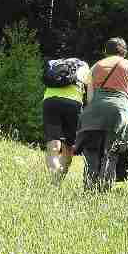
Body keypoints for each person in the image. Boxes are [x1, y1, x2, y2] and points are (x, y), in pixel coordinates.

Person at [75, 38, 128, 191]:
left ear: (106, 51)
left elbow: (90, 97)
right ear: (124, 52)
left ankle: (89, 189)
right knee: (111, 151)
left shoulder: (95, 67)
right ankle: (105, 189)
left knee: (92, 151)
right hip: (117, 111)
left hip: (94, 112)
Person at [42, 57, 91, 185]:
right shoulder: (84, 66)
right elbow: (90, 91)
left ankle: (54, 179)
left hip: (50, 101)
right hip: (73, 104)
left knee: (53, 147)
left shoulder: (54, 63)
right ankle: (56, 182)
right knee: (68, 148)